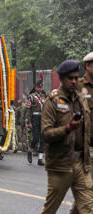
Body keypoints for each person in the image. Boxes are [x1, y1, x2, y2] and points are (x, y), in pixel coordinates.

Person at [40, 60, 93, 214]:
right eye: (70, 78)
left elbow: (87, 129)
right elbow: (46, 133)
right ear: (62, 78)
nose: (74, 81)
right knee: (50, 209)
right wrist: (68, 128)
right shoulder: (52, 101)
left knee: (88, 209)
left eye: (76, 78)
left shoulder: (82, 99)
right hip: (60, 165)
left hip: (81, 165)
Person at [69, 52, 93, 213]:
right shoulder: (77, 86)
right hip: (85, 146)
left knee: (86, 193)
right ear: (88, 66)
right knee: (87, 190)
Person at [26, 80, 46, 165]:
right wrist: (28, 122)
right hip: (35, 118)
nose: (39, 89)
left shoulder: (44, 97)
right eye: (38, 87)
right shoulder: (31, 97)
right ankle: (30, 149)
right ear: (35, 87)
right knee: (36, 138)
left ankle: (40, 159)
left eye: (40, 87)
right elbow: (28, 110)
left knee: (43, 138)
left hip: (43, 118)